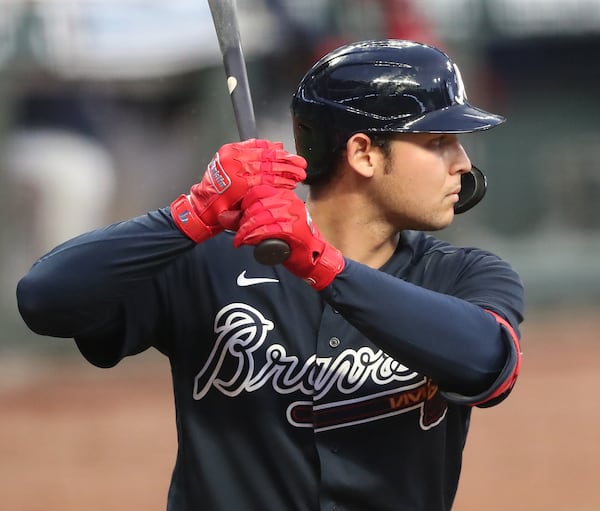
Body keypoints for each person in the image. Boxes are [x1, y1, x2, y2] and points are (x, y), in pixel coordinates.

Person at [16, 40, 524, 511]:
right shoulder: (210, 261)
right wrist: (188, 215)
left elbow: (488, 366)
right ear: (363, 153)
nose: (462, 162)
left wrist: (323, 266)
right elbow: (45, 300)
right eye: (438, 141)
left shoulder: (465, 275)